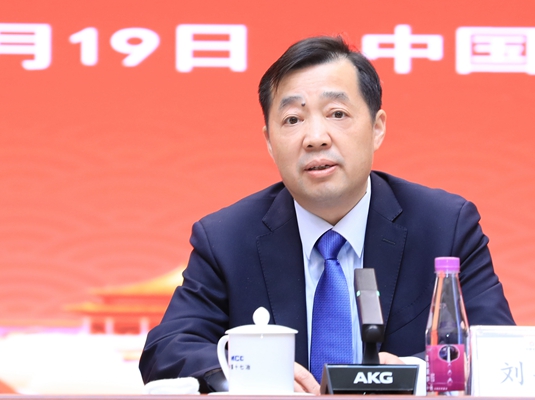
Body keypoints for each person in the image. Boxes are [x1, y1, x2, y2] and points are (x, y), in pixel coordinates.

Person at [139, 36, 514, 394]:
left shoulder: (445, 226)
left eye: (337, 114)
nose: (315, 137)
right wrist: (247, 372)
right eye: (293, 120)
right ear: (269, 142)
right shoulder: (226, 239)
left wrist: (408, 376)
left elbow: (498, 351)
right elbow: (166, 350)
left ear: (377, 128)